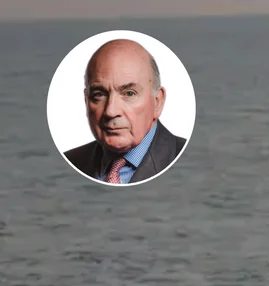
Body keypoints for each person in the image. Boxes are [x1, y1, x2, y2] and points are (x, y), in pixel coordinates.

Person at [64, 39, 186, 184]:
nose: (110, 111)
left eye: (129, 93)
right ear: (86, 100)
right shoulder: (70, 161)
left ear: (157, 102)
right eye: (99, 95)